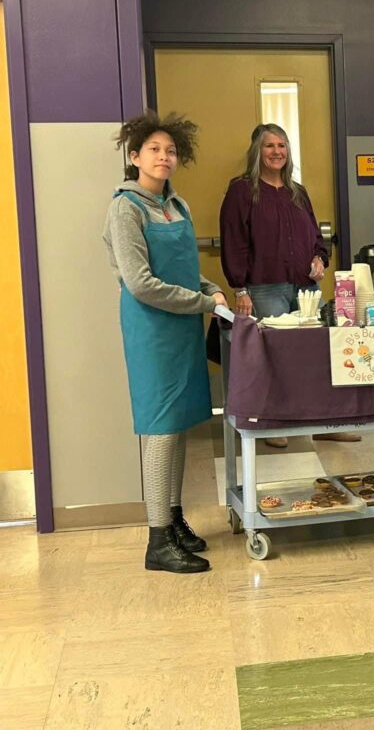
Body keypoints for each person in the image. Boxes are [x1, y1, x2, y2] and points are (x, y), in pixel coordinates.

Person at [103, 111, 224, 573]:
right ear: (134, 157)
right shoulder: (125, 208)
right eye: (153, 149)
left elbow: (183, 270)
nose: (163, 156)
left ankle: (174, 521)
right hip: (152, 329)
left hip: (183, 327)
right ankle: (157, 541)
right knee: (160, 428)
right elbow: (141, 284)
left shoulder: (179, 205)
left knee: (180, 426)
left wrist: (209, 287)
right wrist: (204, 303)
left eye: (170, 150)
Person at [219, 123, 359, 446]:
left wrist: (320, 258)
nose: (276, 152)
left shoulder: (298, 192)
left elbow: (314, 236)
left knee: (318, 355)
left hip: (306, 289)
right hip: (265, 288)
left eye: (282, 145)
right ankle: (276, 424)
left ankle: (325, 422)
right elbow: (234, 241)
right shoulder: (242, 191)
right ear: (257, 151)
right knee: (276, 358)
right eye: (269, 146)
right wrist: (240, 289)